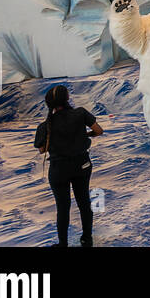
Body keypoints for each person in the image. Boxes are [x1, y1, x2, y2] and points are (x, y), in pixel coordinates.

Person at [34, 84, 103, 247]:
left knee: (63, 208)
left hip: (59, 170)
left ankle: (63, 243)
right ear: (67, 99)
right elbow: (99, 130)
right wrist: (84, 135)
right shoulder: (80, 113)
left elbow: (42, 150)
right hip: (82, 165)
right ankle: (87, 239)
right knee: (84, 202)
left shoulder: (45, 126)